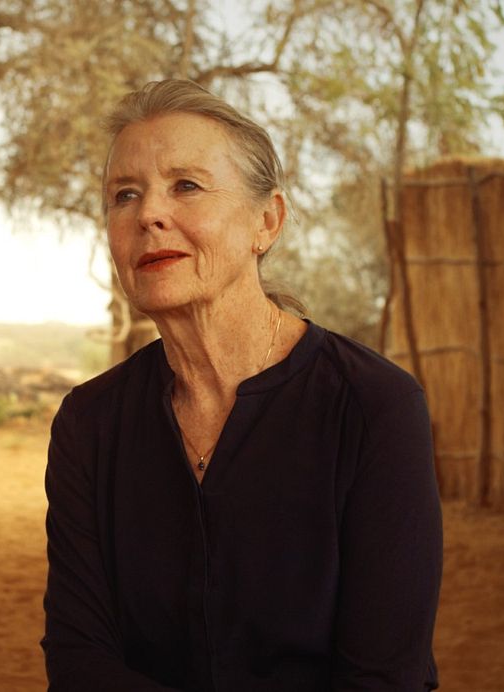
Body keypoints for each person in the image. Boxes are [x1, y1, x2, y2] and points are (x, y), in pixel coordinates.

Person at [41, 79, 442, 691]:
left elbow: (383, 677)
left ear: (267, 220)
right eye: (124, 194)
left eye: (187, 186)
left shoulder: (372, 406)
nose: (148, 213)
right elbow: (79, 662)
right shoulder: (90, 423)